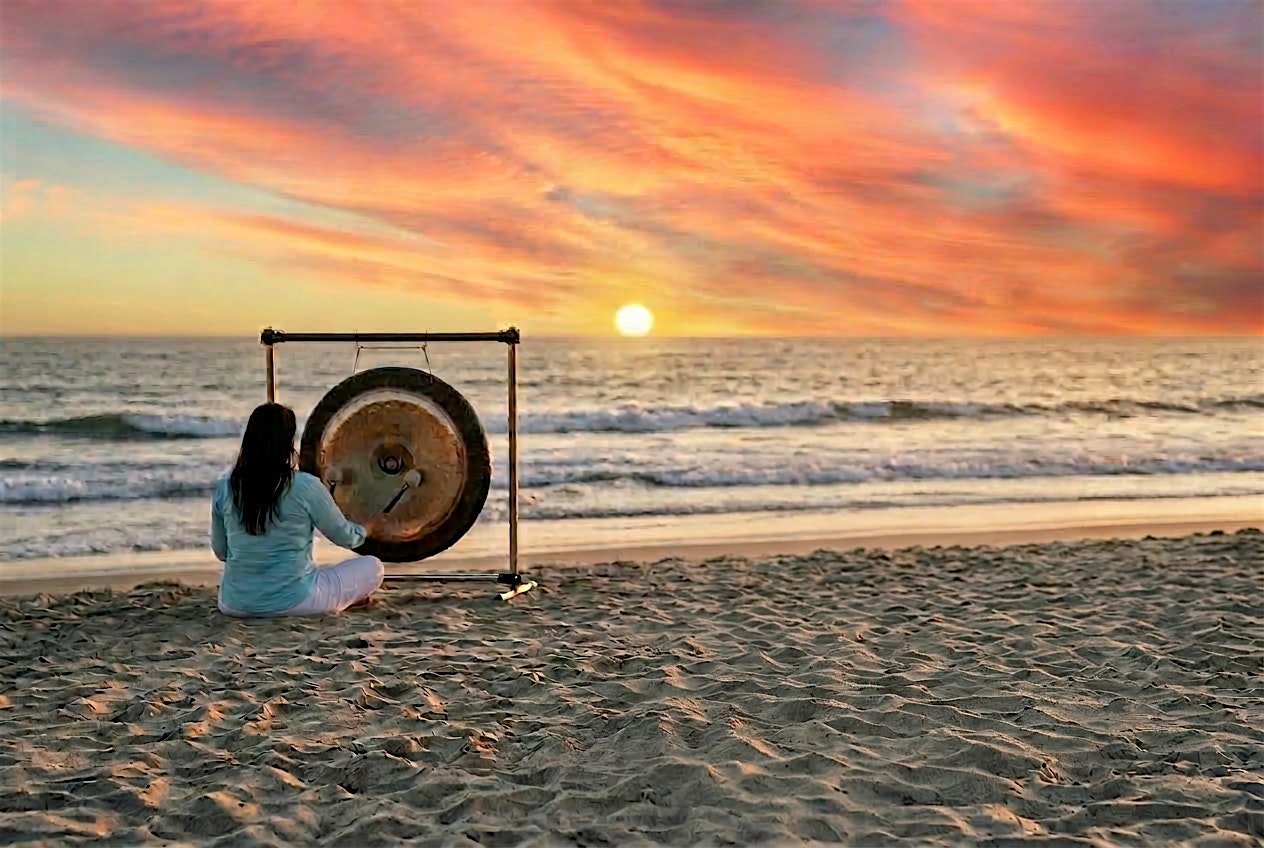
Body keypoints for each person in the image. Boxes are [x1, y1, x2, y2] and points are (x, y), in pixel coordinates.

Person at [211, 402, 387, 617]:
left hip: (234, 604)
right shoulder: (305, 486)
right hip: (296, 602)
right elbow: (347, 538)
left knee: (315, 573)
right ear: (287, 441)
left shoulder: (226, 484)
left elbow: (221, 551)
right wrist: (367, 528)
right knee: (373, 567)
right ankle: (345, 599)